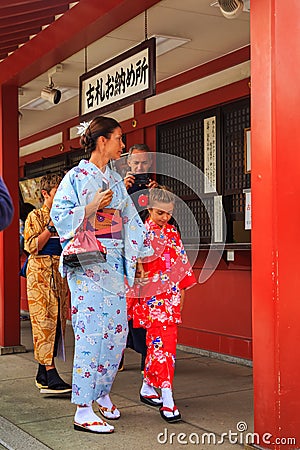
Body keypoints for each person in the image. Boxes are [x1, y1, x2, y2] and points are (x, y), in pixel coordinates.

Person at [50, 116, 153, 434]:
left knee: (116, 333)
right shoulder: (76, 177)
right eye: (120, 138)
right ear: (102, 141)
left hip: (113, 263)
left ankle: (103, 392)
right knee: (92, 332)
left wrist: (141, 256)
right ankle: (83, 407)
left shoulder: (116, 179)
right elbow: (59, 216)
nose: (123, 145)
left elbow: (131, 220)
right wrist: (91, 207)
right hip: (87, 263)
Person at [128, 186, 196, 423]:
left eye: (168, 213)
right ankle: (167, 397)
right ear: (148, 209)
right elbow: (131, 267)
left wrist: (182, 294)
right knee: (164, 345)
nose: (165, 218)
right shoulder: (139, 233)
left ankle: (148, 386)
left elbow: (182, 265)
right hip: (151, 297)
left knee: (158, 345)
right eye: (160, 213)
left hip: (171, 296)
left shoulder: (173, 233)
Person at [24, 174, 71, 395]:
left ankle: (42, 374)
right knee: (43, 321)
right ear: (46, 193)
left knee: (58, 321)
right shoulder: (35, 215)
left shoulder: (66, 215)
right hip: (40, 273)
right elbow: (32, 246)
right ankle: (51, 373)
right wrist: (50, 227)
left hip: (59, 272)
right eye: (57, 191)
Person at [120, 144, 158, 373]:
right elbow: (108, 220)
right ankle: (119, 353)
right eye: (136, 163)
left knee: (148, 308)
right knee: (124, 309)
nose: (140, 167)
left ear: (150, 164)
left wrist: (157, 197)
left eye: (144, 163)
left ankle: (147, 356)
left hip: (149, 259)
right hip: (125, 258)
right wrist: (122, 192)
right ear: (128, 164)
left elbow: (167, 219)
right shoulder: (118, 187)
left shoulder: (156, 189)